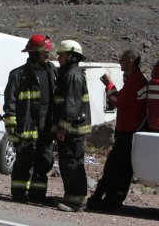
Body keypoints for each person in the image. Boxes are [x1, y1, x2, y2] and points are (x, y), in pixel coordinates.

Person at [87, 49, 148, 210]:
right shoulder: (136, 80)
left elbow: (118, 101)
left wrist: (109, 84)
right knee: (124, 168)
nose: (119, 62)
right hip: (131, 131)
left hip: (128, 131)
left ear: (130, 60)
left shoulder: (136, 81)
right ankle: (114, 199)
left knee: (113, 166)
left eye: (121, 59)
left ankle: (99, 198)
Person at [3, 34, 57, 203]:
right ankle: (19, 194)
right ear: (34, 53)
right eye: (44, 53)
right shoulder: (18, 75)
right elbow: (9, 103)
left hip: (46, 128)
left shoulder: (53, 73)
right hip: (26, 128)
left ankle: (38, 196)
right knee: (24, 162)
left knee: (44, 162)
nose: (47, 56)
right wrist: (12, 127)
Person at [53, 40, 91, 212]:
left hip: (72, 129)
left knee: (72, 164)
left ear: (71, 56)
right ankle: (71, 198)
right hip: (71, 128)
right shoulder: (68, 72)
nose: (58, 57)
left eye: (61, 54)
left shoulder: (73, 75)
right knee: (68, 163)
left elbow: (71, 105)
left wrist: (62, 128)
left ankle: (77, 202)